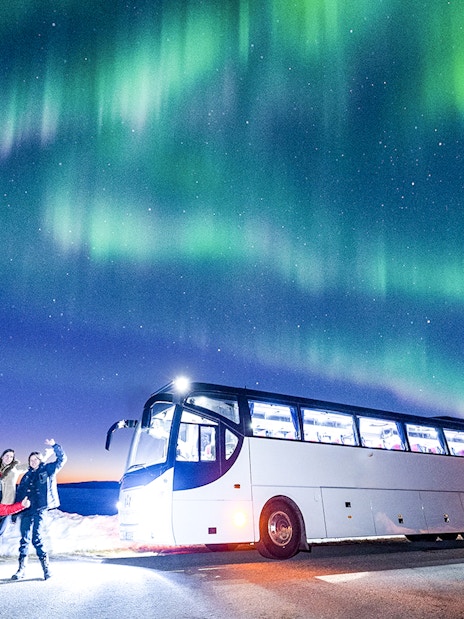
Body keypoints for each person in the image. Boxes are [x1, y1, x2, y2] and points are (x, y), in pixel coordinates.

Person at [12, 439, 67, 581]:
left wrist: (55, 446)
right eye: (31, 460)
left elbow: (62, 459)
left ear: (40, 460)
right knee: (24, 539)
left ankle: (46, 568)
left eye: (36, 459)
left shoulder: (47, 469)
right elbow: (20, 493)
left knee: (36, 538)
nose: (33, 461)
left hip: (40, 509)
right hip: (26, 511)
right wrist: (15, 512)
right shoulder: (26, 475)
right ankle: (21, 570)